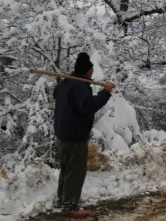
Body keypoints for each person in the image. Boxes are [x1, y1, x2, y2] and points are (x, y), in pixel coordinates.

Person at [52, 52, 115, 218]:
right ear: (88, 71)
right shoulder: (79, 86)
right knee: (75, 171)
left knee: (66, 169)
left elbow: (55, 93)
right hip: (74, 136)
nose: (92, 73)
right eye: (91, 70)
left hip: (61, 134)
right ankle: (70, 206)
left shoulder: (66, 83)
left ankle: (61, 200)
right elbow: (88, 106)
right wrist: (106, 92)